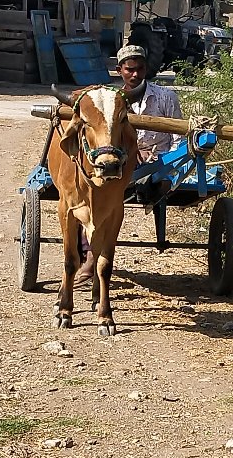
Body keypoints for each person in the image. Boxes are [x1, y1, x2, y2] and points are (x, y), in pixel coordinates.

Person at [75, 44, 183, 285]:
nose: (135, 74)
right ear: (119, 70)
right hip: (119, 162)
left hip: (158, 162)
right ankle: (90, 257)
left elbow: (178, 139)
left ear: (147, 69)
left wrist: (167, 164)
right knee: (92, 200)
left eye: (140, 69)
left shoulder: (166, 97)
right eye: (130, 69)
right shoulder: (109, 101)